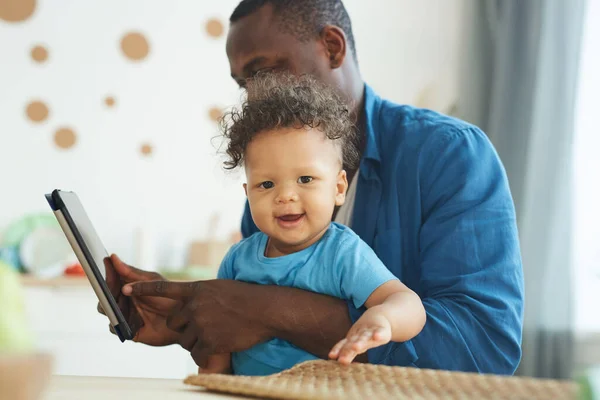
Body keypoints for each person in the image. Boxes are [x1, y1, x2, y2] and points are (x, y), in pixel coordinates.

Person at [101, 0, 524, 374]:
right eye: (241, 84)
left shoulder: (447, 155)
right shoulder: (271, 197)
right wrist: (187, 319)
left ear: (333, 47)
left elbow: (483, 347)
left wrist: (265, 310)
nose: (253, 97)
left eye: (263, 72)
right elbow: (254, 334)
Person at [192, 73, 426, 375]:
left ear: (339, 188)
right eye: (266, 184)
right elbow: (219, 343)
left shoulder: (343, 254)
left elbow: (407, 302)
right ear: (248, 193)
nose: (286, 195)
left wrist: (384, 320)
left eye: (305, 179)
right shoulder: (238, 260)